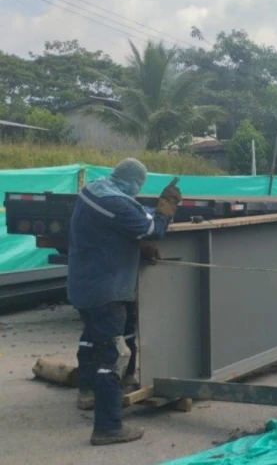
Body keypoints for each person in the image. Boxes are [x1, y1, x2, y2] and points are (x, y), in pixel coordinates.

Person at [68, 158, 182, 446]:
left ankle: (87, 392)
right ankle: (108, 426)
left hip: (84, 284)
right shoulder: (119, 205)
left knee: (92, 339)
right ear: (136, 182)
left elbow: (128, 220)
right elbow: (151, 229)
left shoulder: (95, 189)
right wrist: (165, 210)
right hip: (107, 290)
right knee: (112, 355)